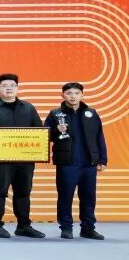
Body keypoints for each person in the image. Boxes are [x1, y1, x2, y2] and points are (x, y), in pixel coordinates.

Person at [0, 73, 46, 239]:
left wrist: (41, 149)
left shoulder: (28, 108)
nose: (9, 88)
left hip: (25, 159)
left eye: (12, 85)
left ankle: (24, 226)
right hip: (1, 159)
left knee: (24, 192)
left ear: (17, 88)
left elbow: (39, 130)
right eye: (4, 86)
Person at [45, 82, 107, 240]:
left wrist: (102, 159)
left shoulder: (91, 113)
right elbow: (45, 136)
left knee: (89, 197)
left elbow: (99, 137)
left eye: (76, 93)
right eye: (69, 93)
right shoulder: (55, 114)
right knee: (65, 196)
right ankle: (66, 228)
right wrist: (56, 131)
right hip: (67, 163)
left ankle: (88, 228)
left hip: (89, 163)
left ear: (82, 95)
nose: (73, 96)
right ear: (63, 95)